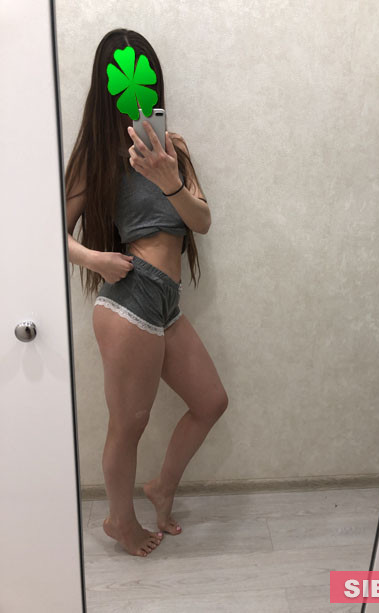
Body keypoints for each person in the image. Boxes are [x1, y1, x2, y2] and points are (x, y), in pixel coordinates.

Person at [65, 28, 229, 558]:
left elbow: (201, 222)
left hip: (166, 302)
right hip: (129, 299)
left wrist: (167, 178)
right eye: (125, 81)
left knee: (210, 401)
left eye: (146, 78)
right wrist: (96, 260)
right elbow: (48, 231)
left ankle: (161, 487)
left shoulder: (172, 147)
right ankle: (120, 521)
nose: (138, 91)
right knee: (129, 424)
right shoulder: (97, 157)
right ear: (108, 88)